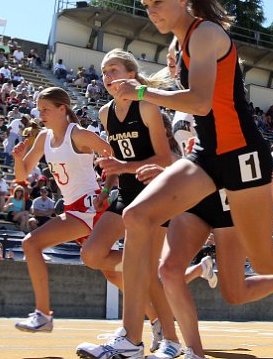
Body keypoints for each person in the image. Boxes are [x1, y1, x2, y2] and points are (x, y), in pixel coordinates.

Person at [77, 0, 273, 359]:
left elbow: (200, 101)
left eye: (158, 2)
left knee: (264, 258)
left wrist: (141, 93)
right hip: (208, 155)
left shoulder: (205, 33)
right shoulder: (181, 44)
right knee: (137, 217)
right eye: (146, 5)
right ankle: (131, 340)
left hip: (242, 156)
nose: (151, 12)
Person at [78, 49, 181, 358]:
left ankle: (170, 340)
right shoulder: (105, 113)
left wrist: (122, 168)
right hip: (124, 193)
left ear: (132, 76)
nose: (107, 76)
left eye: (114, 70)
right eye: (104, 71)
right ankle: (140, 279)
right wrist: (106, 188)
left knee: (146, 274)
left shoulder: (148, 107)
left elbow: (165, 159)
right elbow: (114, 159)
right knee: (92, 254)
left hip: (155, 195)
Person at [13, 87, 112, 333]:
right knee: (114, 273)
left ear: (62, 109)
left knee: (31, 243)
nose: (40, 113)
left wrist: (109, 189)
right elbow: (22, 175)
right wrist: (18, 158)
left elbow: (112, 153)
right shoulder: (44, 138)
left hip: (89, 209)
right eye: (38, 108)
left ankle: (43, 314)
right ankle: (157, 320)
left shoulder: (78, 134)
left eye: (46, 108)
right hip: (73, 210)